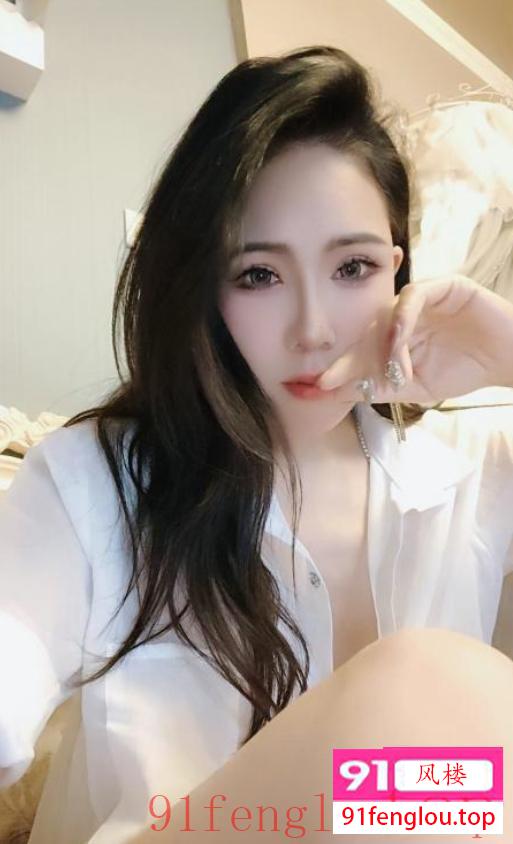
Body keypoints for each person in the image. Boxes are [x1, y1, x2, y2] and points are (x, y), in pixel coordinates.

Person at [1, 45, 513, 843]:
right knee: (436, 689)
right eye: (258, 276)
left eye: (352, 267)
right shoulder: (94, 481)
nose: (313, 330)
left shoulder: (476, 463)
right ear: (205, 291)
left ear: (398, 272)